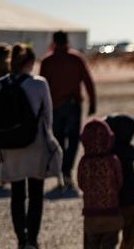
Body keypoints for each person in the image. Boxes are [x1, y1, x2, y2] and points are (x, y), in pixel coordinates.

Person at [0, 44, 62, 249]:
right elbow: (48, 118)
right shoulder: (39, 84)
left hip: (9, 147)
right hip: (35, 145)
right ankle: (32, 240)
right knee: (36, 194)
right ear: (30, 62)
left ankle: (21, 241)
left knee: (17, 194)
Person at [39, 30, 98, 190]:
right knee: (73, 140)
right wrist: (92, 102)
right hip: (73, 106)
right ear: (67, 41)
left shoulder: (47, 61)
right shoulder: (76, 58)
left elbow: (42, 88)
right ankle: (67, 171)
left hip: (55, 106)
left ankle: (60, 172)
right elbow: (88, 81)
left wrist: (42, 108)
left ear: (53, 42)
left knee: (58, 140)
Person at [77, 119, 123, 249]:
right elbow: (119, 181)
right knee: (111, 235)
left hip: (90, 210)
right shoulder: (112, 160)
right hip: (111, 207)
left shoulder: (84, 162)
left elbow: (81, 183)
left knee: (91, 238)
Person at [105, 114, 134, 249]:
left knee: (111, 227)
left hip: (112, 195)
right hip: (129, 194)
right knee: (129, 227)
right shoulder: (127, 149)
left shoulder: (109, 148)